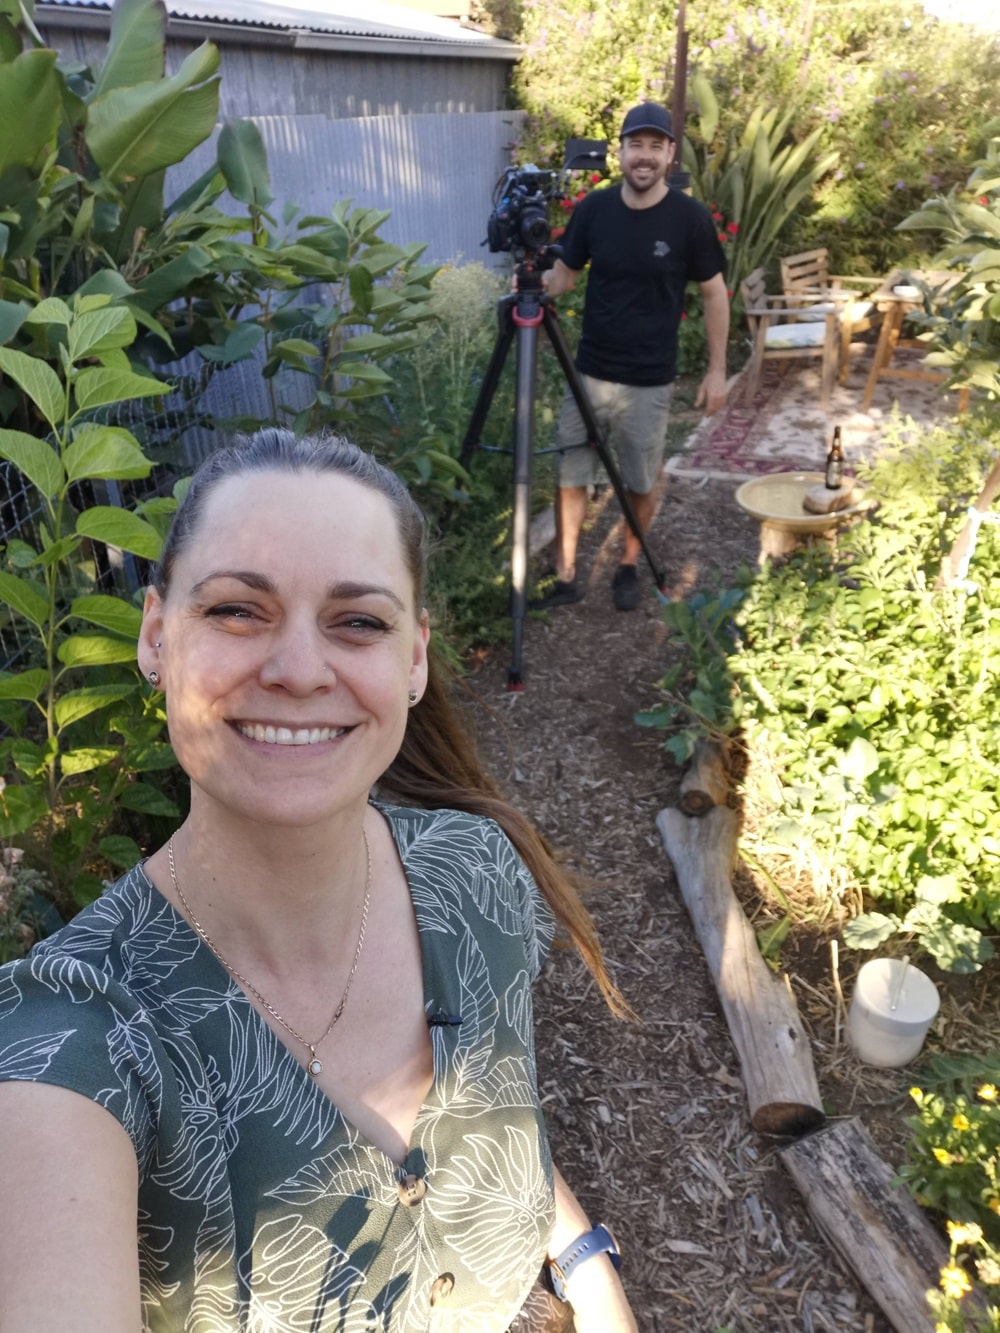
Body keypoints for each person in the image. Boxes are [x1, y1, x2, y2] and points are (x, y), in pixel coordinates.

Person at [0, 429, 638, 1333]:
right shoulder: (71, 1043)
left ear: (413, 658)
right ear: (154, 636)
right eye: (234, 610)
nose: (299, 669)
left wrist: (585, 1264)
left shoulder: (476, 873)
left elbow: (496, 1114)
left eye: (359, 621)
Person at [534, 102, 730, 613]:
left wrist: (716, 370)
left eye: (654, 146)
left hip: (649, 380)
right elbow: (567, 275)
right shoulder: (595, 209)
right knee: (571, 473)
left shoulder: (689, 219)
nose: (643, 156)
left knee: (641, 481)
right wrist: (534, 285)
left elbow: (714, 292)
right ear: (620, 151)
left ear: (669, 154)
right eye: (634, 145)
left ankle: (626, 564)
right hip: (589, 374)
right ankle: (567, 574)